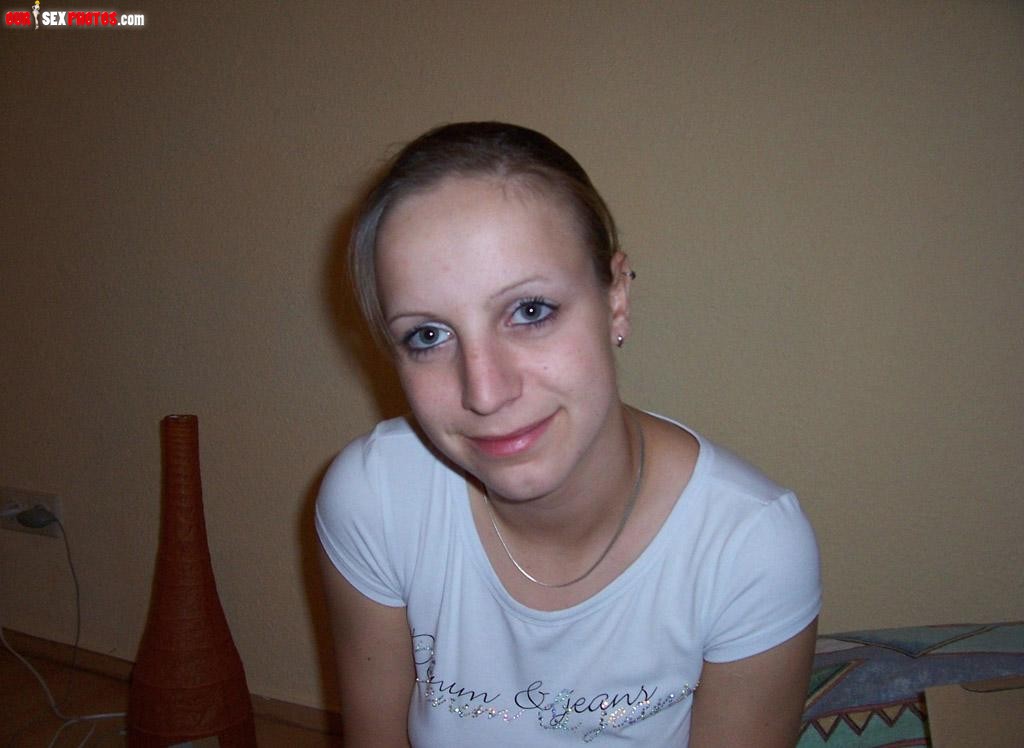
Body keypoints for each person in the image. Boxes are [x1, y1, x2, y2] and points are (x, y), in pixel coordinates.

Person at [316, 121, 821, 746]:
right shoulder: (377, 499)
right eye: (428, 335)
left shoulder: (748, 550)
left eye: (530, 311)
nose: (485, 392)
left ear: (616, 299)